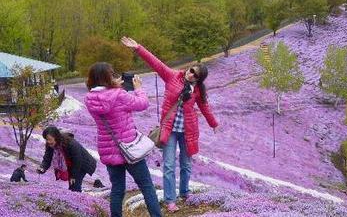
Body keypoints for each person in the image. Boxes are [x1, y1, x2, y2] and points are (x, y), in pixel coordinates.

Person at [121, 36, 219, 213]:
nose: (191, 74)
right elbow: (156, 63)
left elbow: (205, 108)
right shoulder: (173, 76)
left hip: (188, 131)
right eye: (191, 70)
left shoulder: (197, 90)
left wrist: (213, 123)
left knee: (186, 165)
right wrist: (137, 48)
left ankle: (184, 192)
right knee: (168, 166)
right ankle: (170, 200)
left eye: (196, 75)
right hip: (170, 129)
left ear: (199, 79)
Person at [84, 62, 162, 217]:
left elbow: (109, 104)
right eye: (112, 73)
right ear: (108, 77)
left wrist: (116, 88)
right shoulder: (119, 94)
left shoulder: (89, 98)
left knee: (118, 189)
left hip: (108, 150)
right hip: (130, 148)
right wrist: (138, 89)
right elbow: (142, 104)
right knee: (146, 186)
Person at [37, 126, 97, 192]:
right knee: (72, 185)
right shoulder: (51, 144)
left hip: (82, 164)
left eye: (49, 139)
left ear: (56, 137)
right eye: (46, 139)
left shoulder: (70, 143)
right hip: (71, 164)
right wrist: (43, 167)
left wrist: (73, 176)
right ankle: (74, 197)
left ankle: (77, 199)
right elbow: (47, 157)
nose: (48, 141)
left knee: (74, 185)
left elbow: (77, 160)